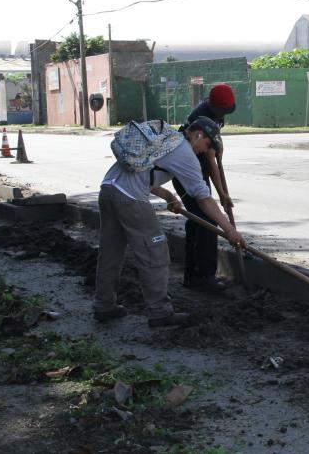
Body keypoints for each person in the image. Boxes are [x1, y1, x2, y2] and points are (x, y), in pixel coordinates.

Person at [94, 116, 245, 327]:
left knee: (110, 252)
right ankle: (159, 312)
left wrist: (168, 196)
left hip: (108, 190)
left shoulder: (167, 139)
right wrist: (229, 230)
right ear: (198, 134)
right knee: (155, 252)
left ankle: (104, 306)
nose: (205, 150)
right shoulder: (184, 152)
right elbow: (203, 198)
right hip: (130, 199)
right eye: (208, 144)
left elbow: (143, 170)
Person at [173, 83, 236, 292]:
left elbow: (212, 154)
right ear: (214, 106)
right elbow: (210, 160)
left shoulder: (213, 112)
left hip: (193, 167)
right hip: (186, 171)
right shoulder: (201, 118)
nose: (223, 115)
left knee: (198, 221)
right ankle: (204, 276)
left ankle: (193, 275)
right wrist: (222, 194)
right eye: (222, 112)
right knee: (207, 221)